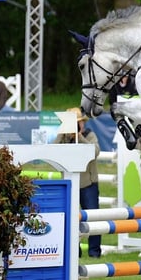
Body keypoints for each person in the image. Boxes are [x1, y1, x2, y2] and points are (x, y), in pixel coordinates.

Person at [56, 108, 102, 258]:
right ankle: (75, 252)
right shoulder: (63, 139)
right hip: (70, 184)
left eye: (77, 123)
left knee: (93, 218)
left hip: (88, 184)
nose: (75, 126)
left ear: (82, 123)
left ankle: (94, 252)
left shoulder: (89, 135)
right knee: (70, 219)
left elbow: (95, 152)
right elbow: (53, 151)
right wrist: (62, 133)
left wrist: (79, 137)